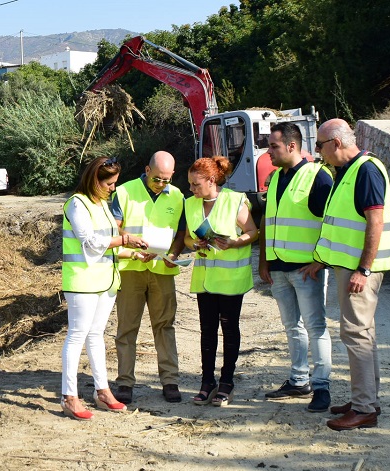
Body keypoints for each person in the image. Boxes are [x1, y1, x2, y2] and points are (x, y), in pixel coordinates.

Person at [303, 118, 390, 431]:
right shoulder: (347, 171)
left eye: (320, 146)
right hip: (350, 267)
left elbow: (375, 222)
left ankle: (364, 408)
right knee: (363, 335)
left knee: (356, 334)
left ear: (337, 143)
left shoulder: (366, 170)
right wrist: (322, 260)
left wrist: (363, 268)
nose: (318, 153)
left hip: (360, 271)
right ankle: (366, 400)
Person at [60, 156, 153, 420]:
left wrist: (131, 253)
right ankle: (69, 396)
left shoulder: (102, 204)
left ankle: (102, 391)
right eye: (109, 184)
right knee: (77, 336)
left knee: (96, 335)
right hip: (82, 282)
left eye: (115, 183)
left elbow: (107, 246)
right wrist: (125, 239)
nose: (113, 188)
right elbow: (90, 242)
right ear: (94, 180)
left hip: (105, 281)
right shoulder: (77, 205)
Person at [259, 122, 335, 412]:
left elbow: (333, 222)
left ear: (292, 146)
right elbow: (269, 221)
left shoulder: (318, 177)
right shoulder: (277, 177)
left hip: (307, 269)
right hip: (279, 268)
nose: (268, 152)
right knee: (293, 327)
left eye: (273, 146)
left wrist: (321, 260)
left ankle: (321, 387)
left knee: (316, 327)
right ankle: (298, 379)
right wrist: (264, 261)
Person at [110, 151, 187, 404]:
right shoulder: (124, 192)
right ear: (147, 169)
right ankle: (125, 383)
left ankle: (170, 381)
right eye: (157, 179)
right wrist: (131, 252)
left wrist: (174, 253)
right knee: (127, 327)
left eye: (167, 180)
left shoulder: (177, 196)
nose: (162, 184)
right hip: (131, 269)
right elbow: (114, 228)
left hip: (162, 270)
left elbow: (180, 233)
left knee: (165, 326)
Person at [184, 156, 258, 407]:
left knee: (229, 329)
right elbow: (186, 238)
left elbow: (252, 232)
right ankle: (207, 382)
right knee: (206, 331)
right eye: (190, 184)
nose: (192, 189)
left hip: (230, 279)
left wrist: (234, 241)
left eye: (196, 184)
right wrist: (194, 244)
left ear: (212, 180)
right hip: (205, 279)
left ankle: (227, 382)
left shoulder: (234, 200)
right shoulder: (190, 204)